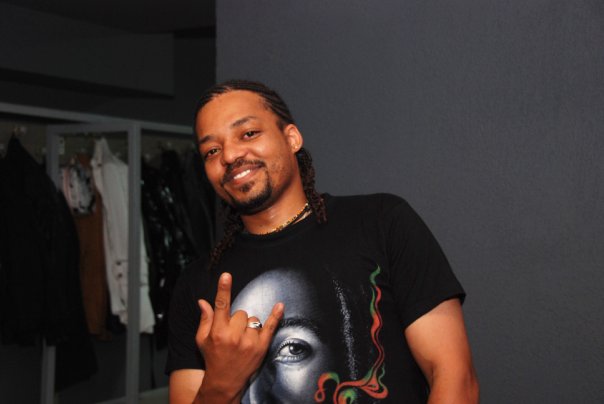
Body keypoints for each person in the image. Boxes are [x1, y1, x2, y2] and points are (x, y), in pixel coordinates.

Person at [166, 80, 479, 403]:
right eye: (212, 151)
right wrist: (221, 383)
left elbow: (455, 377)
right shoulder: (196, 284)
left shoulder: (381, 223)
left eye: (248, 134)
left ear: (291, 138)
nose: (230, 155)